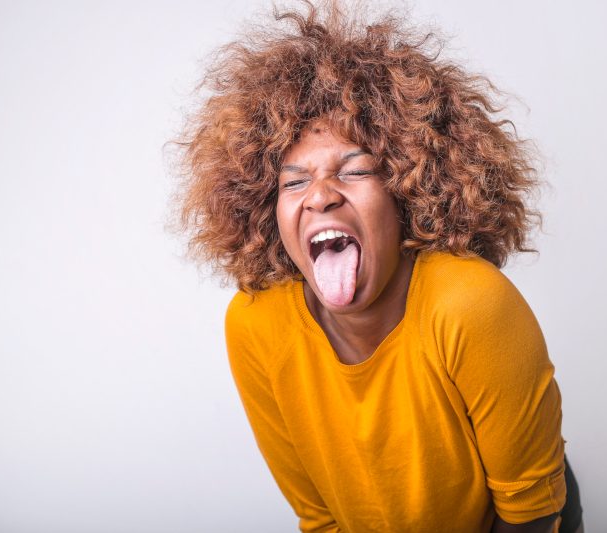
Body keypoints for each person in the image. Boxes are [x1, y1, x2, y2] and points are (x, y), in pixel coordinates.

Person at [174, 1, 583, 531]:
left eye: (355, 170)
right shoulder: (256, 324)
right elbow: (319, 517)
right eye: (293, 181)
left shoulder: (469, 304)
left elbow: (530, 512)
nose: (319, 196)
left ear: (408, 191)